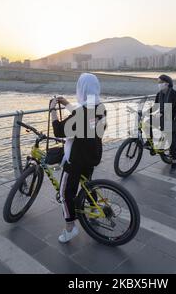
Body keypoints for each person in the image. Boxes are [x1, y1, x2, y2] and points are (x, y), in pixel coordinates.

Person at [49, 73, 107, 243]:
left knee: (65, 192)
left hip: (76, 158)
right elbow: (80, 120)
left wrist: (53, 110)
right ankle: (94, 210)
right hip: (93, 154)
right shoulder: (100, 106)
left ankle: (70, 228)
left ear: (81, 89)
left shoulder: (83, 111)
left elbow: (60, 130)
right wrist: (66, 103)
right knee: (87, 183)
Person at [154, 74, 176, 174]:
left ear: (167, 83)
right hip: (162, 116)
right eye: (158, 82)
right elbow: (155, 107)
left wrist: (161, 113)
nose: (159, 84)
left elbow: (171, 107)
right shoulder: (159, 94)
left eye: (160, 82)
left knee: (172, 141)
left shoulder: (174, 94)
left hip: (172, 118)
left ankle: (174, 161)